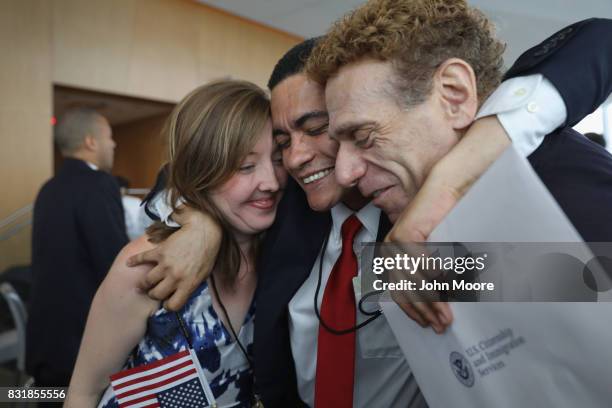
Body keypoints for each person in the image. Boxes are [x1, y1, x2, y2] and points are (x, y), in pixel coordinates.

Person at [130, 20, 611, 406]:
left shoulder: (435, 208)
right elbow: (194, 169)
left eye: (331, 130)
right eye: (282, 143)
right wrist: (200, 224)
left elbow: (596, 40)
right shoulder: (297, 208)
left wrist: (443, 191)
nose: (307, 158)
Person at [307, 2, 612, 322]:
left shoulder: (562, 178)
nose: (344, 173)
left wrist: (449, 186)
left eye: (364, 136)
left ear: (454, 95)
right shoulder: (398, 220)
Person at [64, 80, 286, 408]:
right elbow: (83, 393)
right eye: (245, 166)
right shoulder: (146, 266)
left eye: (278, 159)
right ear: (203, 170)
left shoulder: (279, 250)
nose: (270, 182)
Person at [27, 108, 128, 387]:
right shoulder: (98, 184)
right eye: (109, 136)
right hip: (81, 347)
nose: (114, 143)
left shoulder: (48, 188)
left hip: (47, 344)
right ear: (90, 142)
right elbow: (115, 266)